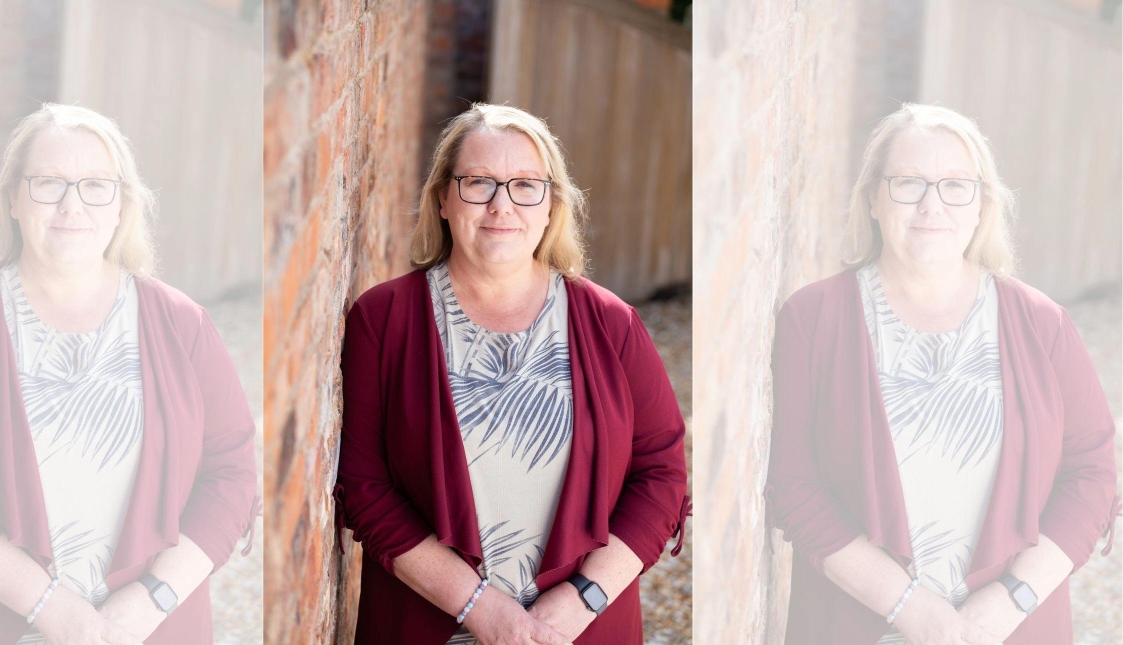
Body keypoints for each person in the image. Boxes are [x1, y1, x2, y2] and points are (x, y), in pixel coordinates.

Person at [332, 103, 691, 645]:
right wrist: (480, 608)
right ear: (443, 199)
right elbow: (364, 487)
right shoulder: (383, 320)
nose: (502, 205)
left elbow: (661, 474)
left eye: (526, 185)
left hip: (578, 631)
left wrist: (582, 601)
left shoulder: (612, 324)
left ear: (551, 207)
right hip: (428, 627)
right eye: (478, 182)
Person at [0, 103, 260, 645]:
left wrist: (146, 605)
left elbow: (231, 475)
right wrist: (51, 609)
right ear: (13, 199)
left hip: (151, 631)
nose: (73, 205)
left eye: (96, 185)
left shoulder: (182, 325)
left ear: (121, 206)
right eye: (48, 183)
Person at [765, 103, 1121, 645]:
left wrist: (1007, 605)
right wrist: (913, 611)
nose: (932, 205)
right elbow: (793, 485)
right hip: (856, 627)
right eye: (908, 182)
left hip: (1012, 630)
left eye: (956, 185)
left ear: (981, 206)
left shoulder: (1042, 324)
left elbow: (1092, 474)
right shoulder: (813, 320)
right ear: (873, 199)